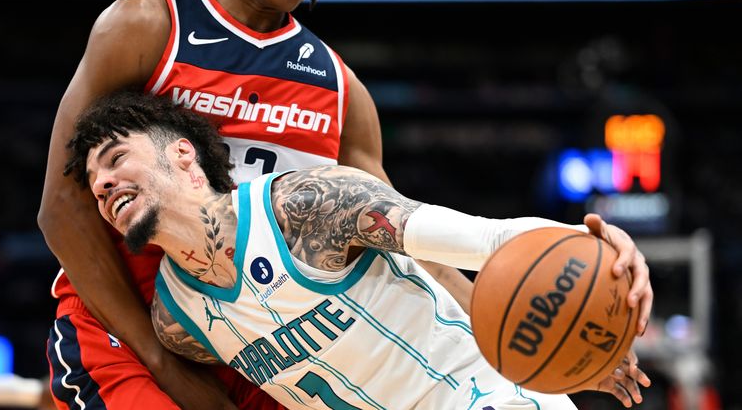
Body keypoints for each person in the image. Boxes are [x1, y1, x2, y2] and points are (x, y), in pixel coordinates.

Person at [37, 0, 477, 408]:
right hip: (126, 326)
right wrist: (158, 359)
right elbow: (61, 207)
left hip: (259, 347)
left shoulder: (340, 88)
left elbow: (404, 239)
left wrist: (502, 323)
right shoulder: (148, 26)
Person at [65, 91, 653, 409]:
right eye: (95, 182)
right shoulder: (176, 321)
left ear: (185, 156)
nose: (104, 184)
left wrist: (598, 245)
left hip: (480, 396)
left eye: (117, 158)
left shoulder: (309, 206)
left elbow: (489, 239)